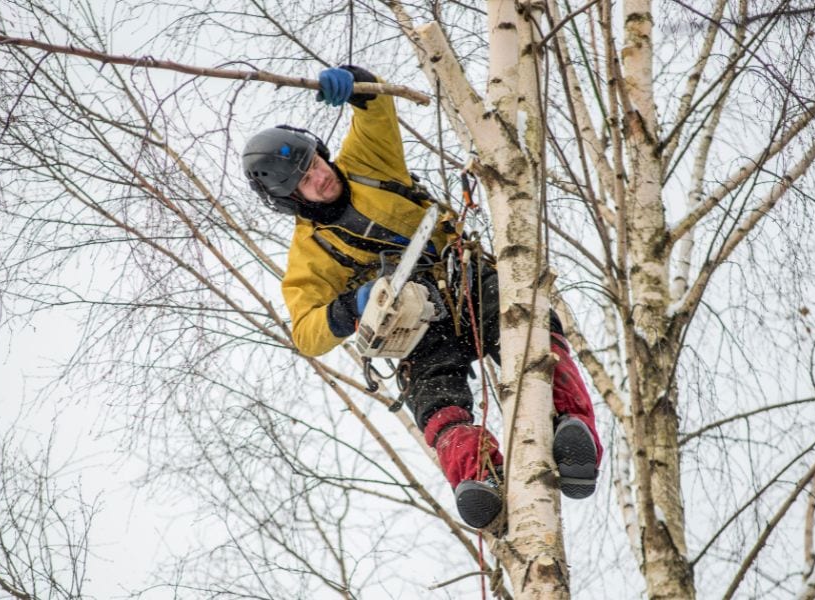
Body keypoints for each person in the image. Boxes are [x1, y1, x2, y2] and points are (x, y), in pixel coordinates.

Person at [242, 66, 602, 531]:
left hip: (463, 277)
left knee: (527, 323)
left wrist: (355, 81)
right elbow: (305, 334)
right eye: (305, 179)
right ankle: (478, 475)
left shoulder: (369, 163)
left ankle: (572, 429)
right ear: (290, 198)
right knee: (432, 391)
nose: (319, 177)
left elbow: (376, 109)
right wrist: (352, 308)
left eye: (314, 162)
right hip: (415, 320)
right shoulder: (308, 255)